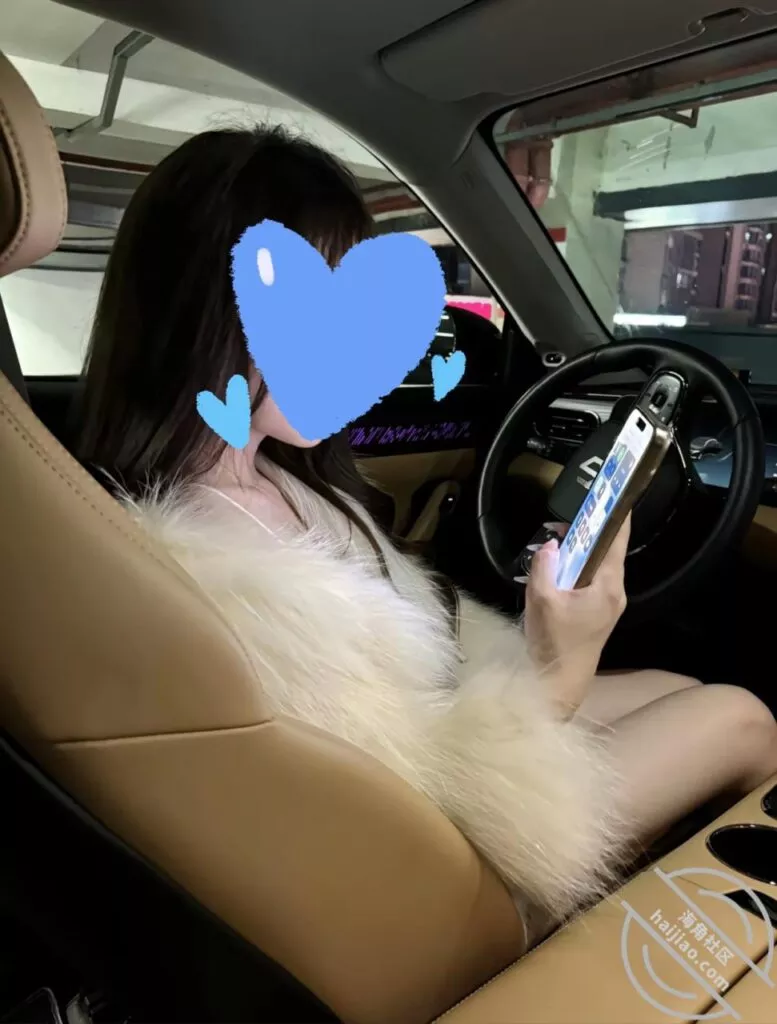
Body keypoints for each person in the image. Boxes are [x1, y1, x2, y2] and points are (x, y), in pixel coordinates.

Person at [75, 125, 777, 952]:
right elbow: (431, 804)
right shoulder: (216, 574)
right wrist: (561, 664)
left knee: (675, 684)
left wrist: (539, 663)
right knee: (739, 717)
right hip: (455, 863)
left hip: (454, 731)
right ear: (204, 312)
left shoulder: (269, 474)